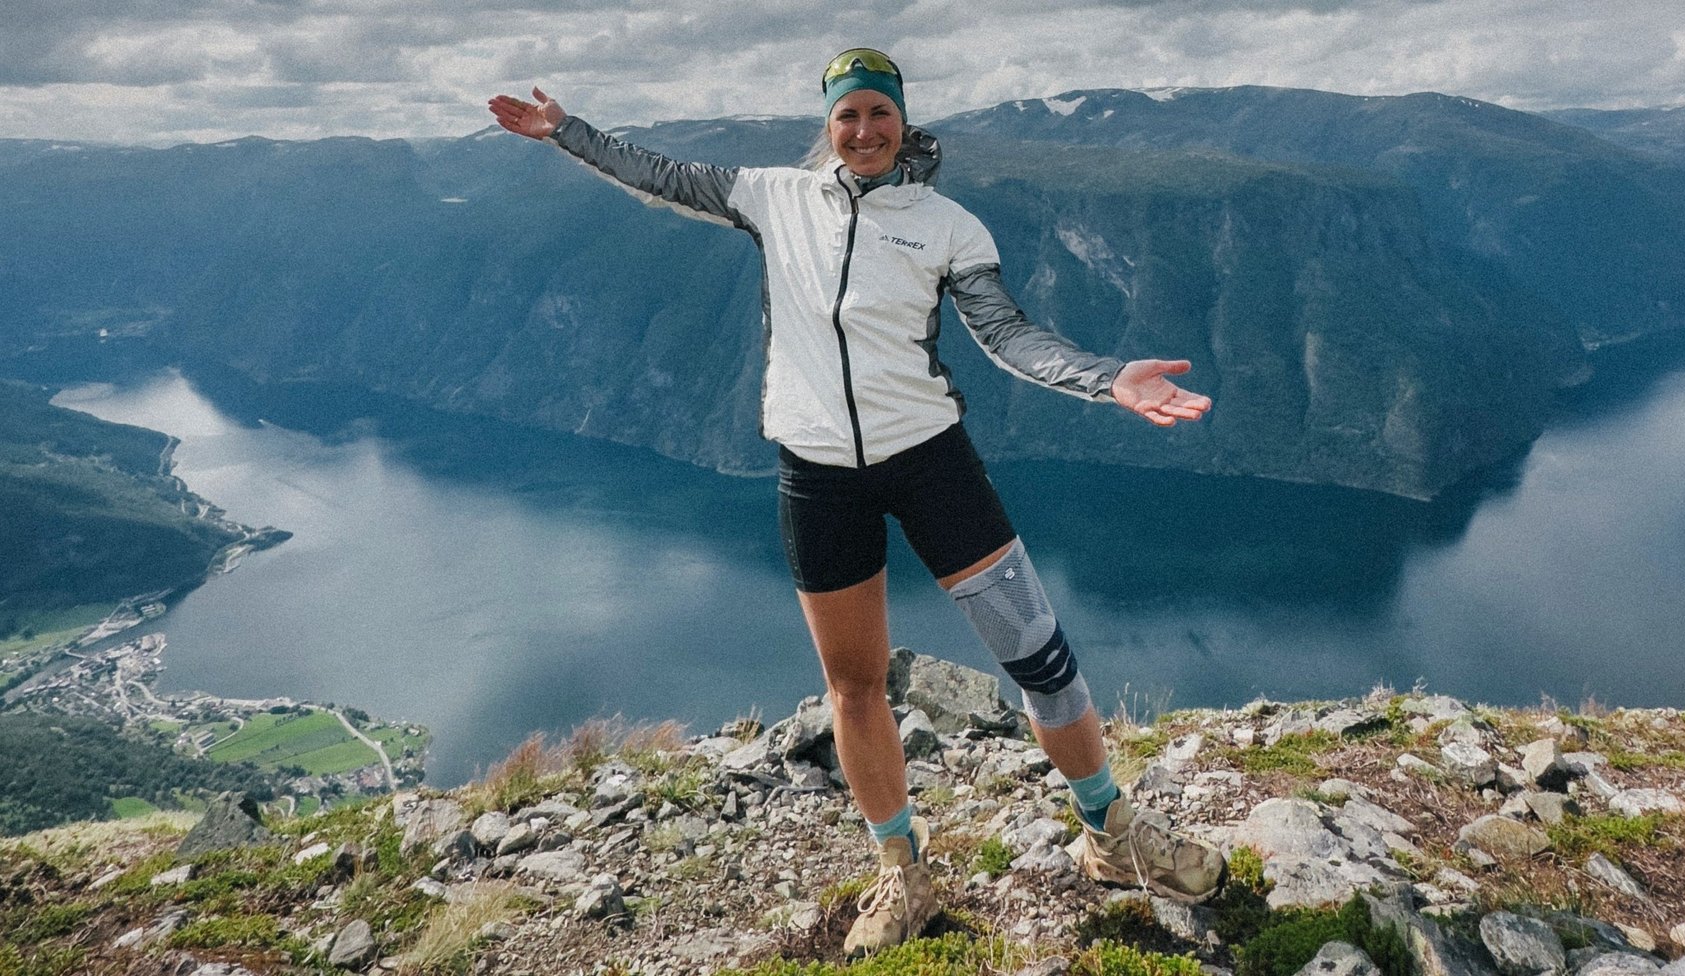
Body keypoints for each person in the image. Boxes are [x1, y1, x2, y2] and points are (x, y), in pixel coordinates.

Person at [488, 48, 1224, 957]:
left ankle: (1109, 831)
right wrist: (566, 132)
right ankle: (903, 869)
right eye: (848, 116)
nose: (866, 131)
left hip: (931, 463)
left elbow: (1007, 336)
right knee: (854, 685)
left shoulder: (949, 226)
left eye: (880, 113)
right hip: (817, 474)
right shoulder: (772, 197)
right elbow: (660, 177)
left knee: (1040, 657)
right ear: (827, 126)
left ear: (904, 123)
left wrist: (1108, 379)